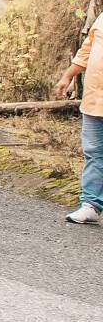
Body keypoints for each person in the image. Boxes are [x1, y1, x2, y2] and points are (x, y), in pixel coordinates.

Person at [54, 18, 101, 225]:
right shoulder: (101, 18)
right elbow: (85, 53)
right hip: (94, 101)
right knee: (93, 153)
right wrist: (67, 77)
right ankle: (90, 205)